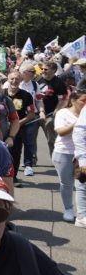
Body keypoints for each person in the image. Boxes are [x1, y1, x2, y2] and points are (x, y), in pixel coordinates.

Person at [52, 88, 86, 223]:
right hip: (64, 153)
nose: (85, 103)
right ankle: (68, 209)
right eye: (83, 100)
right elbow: (60, 132)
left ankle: (82, 214)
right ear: (73, 100)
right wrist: (78, 124)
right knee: (67, 183)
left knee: (81, 184)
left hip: (81, 155)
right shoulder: (63, 113)